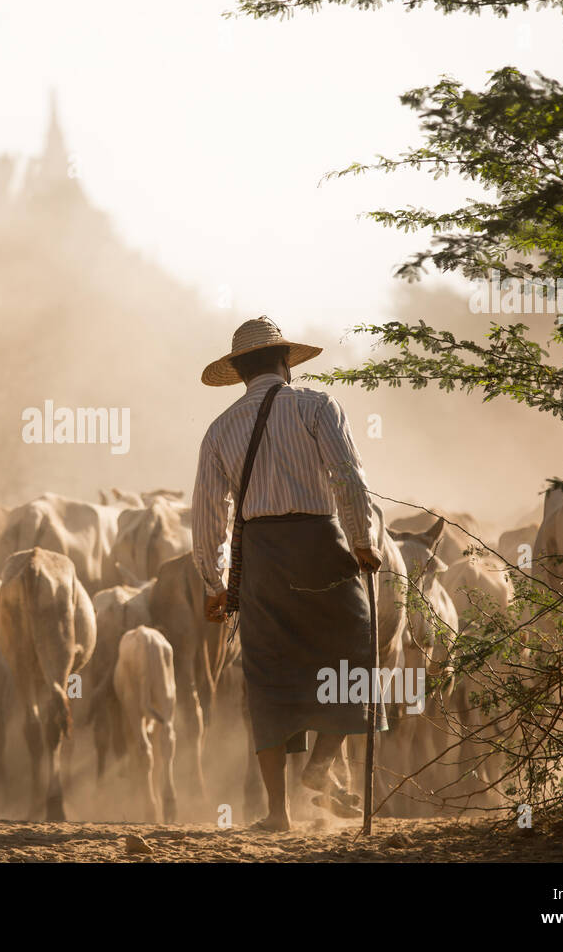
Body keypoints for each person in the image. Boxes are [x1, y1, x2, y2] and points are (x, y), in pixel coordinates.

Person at [190, 316, 383, 831]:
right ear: (284, 363)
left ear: (240, 370)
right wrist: (362, 541)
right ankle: (320, 767)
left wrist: (214, 584)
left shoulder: (219, 429)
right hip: (322, 546)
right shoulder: (317, 405)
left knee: (268, 675)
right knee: (354, 654)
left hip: (262, 562)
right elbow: (347, 477)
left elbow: (208, 515)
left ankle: (277, 813)